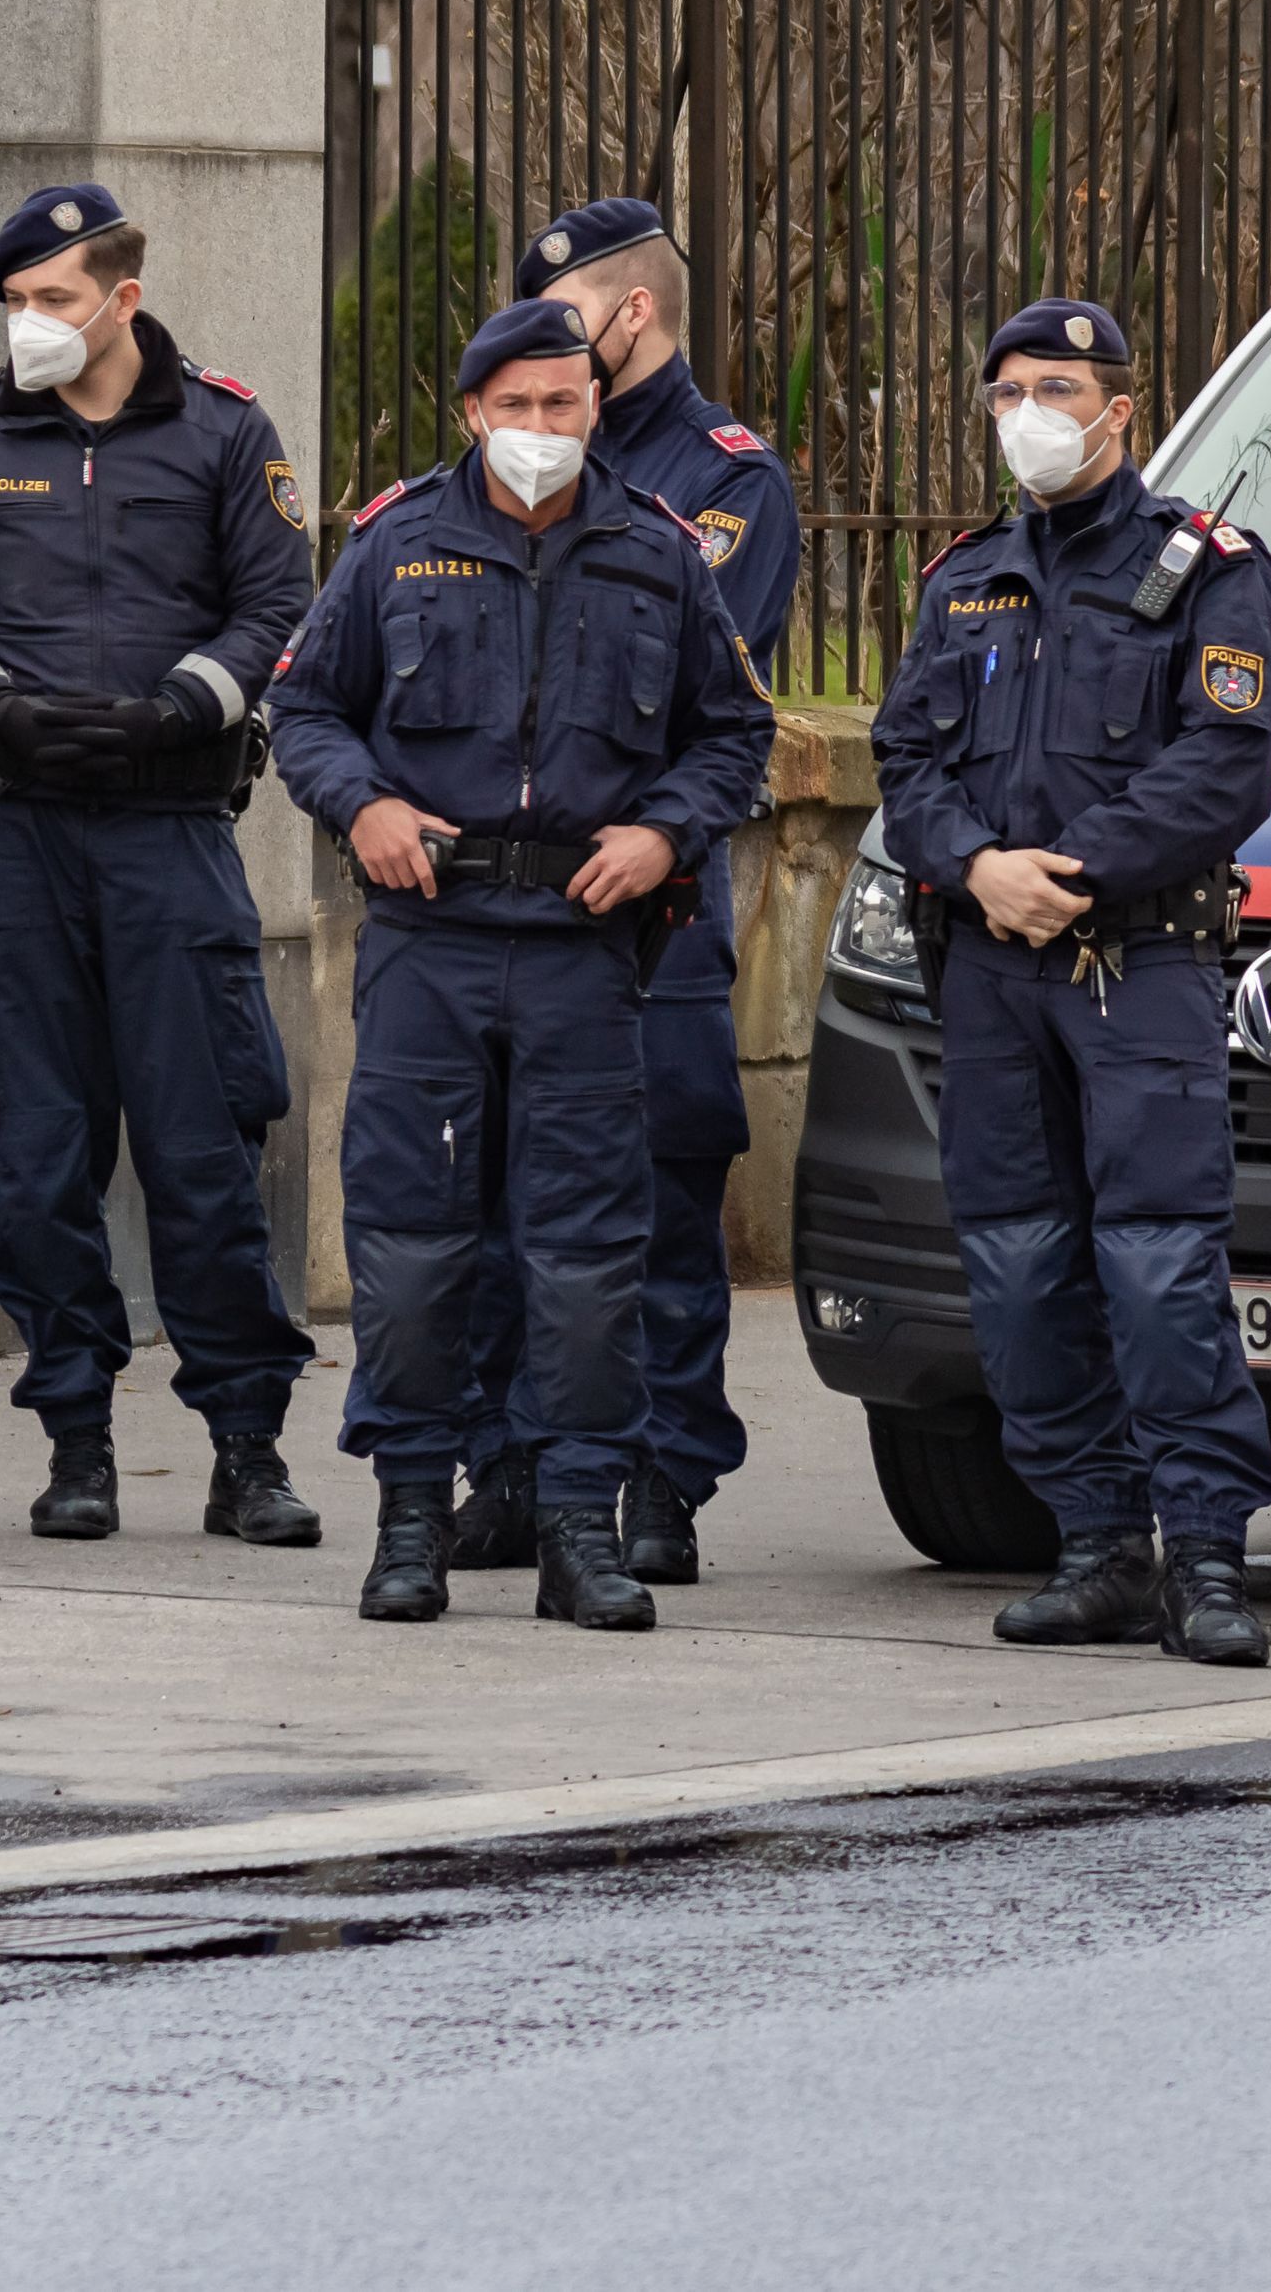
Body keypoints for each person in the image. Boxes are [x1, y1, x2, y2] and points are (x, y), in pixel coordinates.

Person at [269, 297, 774, 1629]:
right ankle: (411, 1520)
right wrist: (363, 807)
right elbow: (303, 708)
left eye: (563, 403)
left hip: (583, 951)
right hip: (430, 939)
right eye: (516, 406)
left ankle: (578, 1524)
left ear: (595, 406)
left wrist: (665, 834)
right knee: (413, 1247)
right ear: (472, 412)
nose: (540, 427)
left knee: (588, 1253)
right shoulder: (394, 544)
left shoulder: (659, 554)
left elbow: (734, 734)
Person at [0, 183, 321, 1548]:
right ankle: (77, 1441)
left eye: (53, 299)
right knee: (36, 1153)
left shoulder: (226, 430)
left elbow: (278, 600)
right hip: (13, 833)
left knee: (203, 1150)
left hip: (167, 832)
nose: (28, 322)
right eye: (15, 301)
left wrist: (186, 703)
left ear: (123, 298)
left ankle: (247, 1448)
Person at [868, 298, 1271, 1666]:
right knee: (1018, 1263)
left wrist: (1074, 870)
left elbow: (1225, 764)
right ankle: (1098, 1543)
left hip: (1138, 962)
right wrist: (976, 866)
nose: (1028, 415)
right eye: (1005, 393)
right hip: (991, 968)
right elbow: (905, 758)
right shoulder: (965, 577)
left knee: (1158, 1262)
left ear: (1120, 407)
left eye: (1055, 388)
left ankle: (1207, 1556)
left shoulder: (1211, 569)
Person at [415, 199, 801, 1584]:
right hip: (503, 916)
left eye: (567, 324)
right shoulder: (483, 477)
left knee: (658, 1200)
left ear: (631, 315)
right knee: (499, 1199)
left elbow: (699, 693)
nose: (540, 373)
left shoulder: (727, 482)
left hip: (652, 910)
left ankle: (661, 1479)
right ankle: (514, 1464)